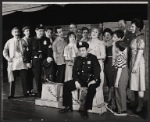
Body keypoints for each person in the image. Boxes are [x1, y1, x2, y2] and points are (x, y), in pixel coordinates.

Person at [59, 41, 101, 119]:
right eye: (80, 50)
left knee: (92, 89)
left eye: (83, 50)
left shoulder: (93, 58)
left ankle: (85, 110)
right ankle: (68, 106)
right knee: (66, 85)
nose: (81, 52)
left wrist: (94, 80)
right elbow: (74, 72)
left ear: (87, 50)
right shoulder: (78, 59)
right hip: (81, 80)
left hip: (92, 79)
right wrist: (76, 81)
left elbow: (97, 70)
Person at [3, 27, 28, 99]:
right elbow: (4, 51)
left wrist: (25, 55)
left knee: (24, 78)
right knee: (12, 78)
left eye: (18, 32)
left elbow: (28, 49)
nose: (17, 33)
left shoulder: (23, 41)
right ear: (12, 33)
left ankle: (25, 93)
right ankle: (11, 94)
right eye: (15, 32)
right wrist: (7, 58)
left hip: (22, 62)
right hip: (13, 62)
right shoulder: (9, 41)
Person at [30, 24, 51, 98]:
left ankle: (49, 90)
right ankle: (40, 92)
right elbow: (29, 51)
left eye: (42, 31)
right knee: (37, 76)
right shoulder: (32, 40)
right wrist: (29, 61)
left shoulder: (46, 39)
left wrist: (49, 57)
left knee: (50, 68)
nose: (41, 32)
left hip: (44, 59)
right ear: (36, 31)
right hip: (36, 59)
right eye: (40, 31)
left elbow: (49, 50)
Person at [130, 18, 145, 112]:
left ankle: (141, 104)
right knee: (134, 83)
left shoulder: (141, 38)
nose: (130, 28)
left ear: (138, 27)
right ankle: (136, 102)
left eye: (132, 26)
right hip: (133, 61)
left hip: (138, 63)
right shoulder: (135, 37)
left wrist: (135, 65)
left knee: (140, 84)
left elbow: (140, 52)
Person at [88, 27, 106, 105]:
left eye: (96, 32)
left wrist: (94, 57)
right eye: (93, 31)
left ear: (98, 34)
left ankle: (98, 103)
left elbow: (103, 56)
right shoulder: (88, 43)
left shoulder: (101, 43)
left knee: (97, 82)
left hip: (98, 64)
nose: (94, 33)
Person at [113, 40, 128, 116]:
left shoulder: (119, 56)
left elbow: (119, 69)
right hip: (123, 74)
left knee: (120, 92)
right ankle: (120, 108)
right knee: (121, 92)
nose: (114, 48)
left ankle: (122, 110)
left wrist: (116, 81)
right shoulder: (122, 54)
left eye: (115, 46)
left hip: (121, 75)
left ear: (118, 48)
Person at [22, 26, 35, 96]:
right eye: (26, 31)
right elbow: (23, 52)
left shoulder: (31, 39)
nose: (28, 32)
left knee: (30, 75)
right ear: (24, 32)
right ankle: (26, 90)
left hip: (31, 60)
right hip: (25, 61)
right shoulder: (22, 40)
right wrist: (26, 61)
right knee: (25, 76)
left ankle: (30, 90)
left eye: (29, 30)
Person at [103, 28, 115, 105]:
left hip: (111, 63)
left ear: (111, 35)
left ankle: (112, 99)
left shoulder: (113, 43)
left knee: (111, 81)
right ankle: (109, 98)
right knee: (107, 81)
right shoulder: (104, 43)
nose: (106, 36)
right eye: (105, 35)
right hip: (105, 64)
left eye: (108, 34)